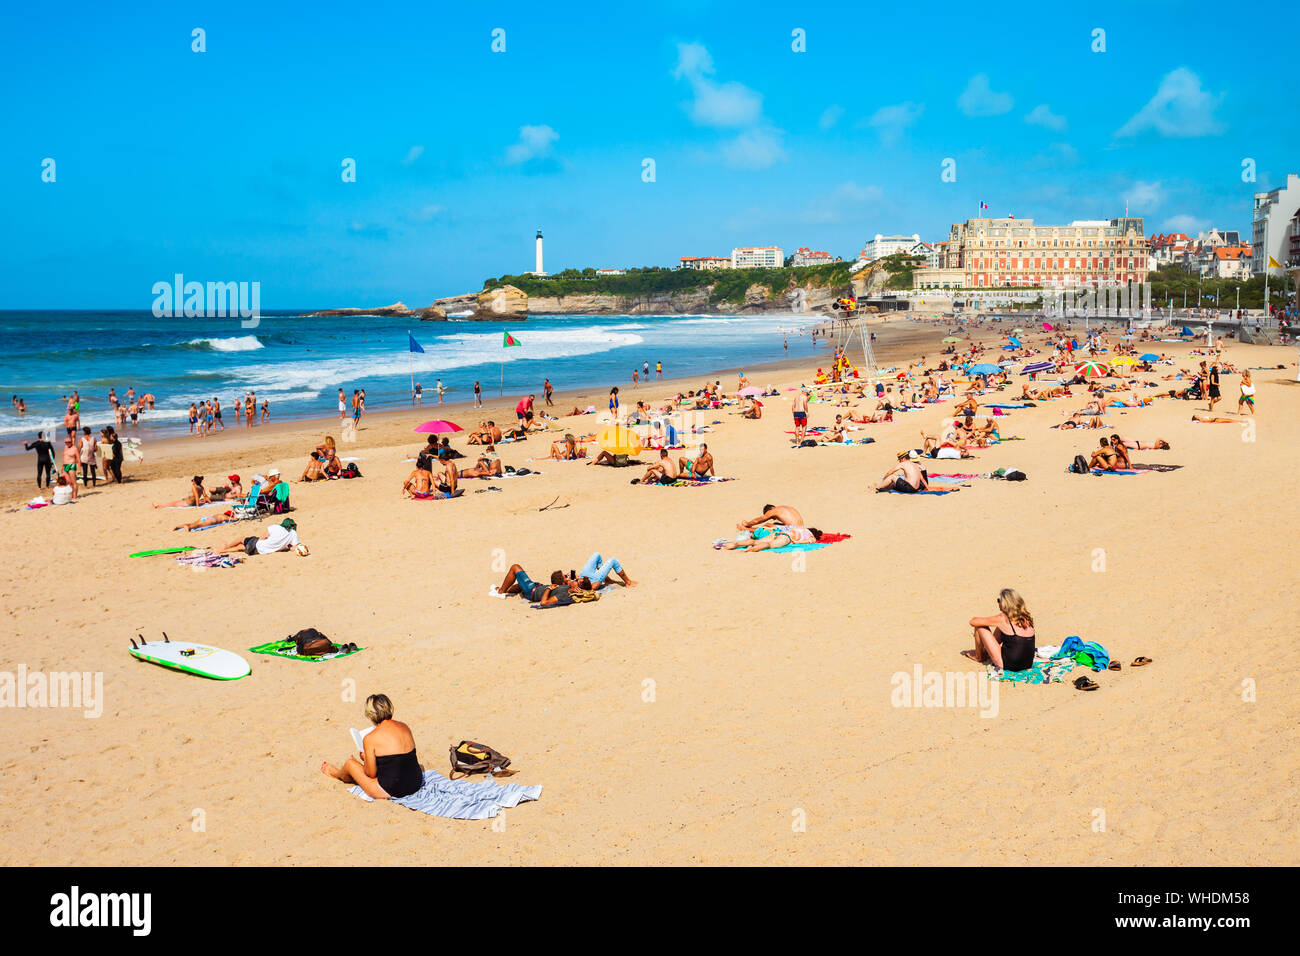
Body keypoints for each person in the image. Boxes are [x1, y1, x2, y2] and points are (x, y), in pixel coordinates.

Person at [320, 694, 423, 800]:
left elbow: (371, 774)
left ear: (370, 715)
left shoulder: (370, 738)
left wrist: (365, 758)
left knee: (350, 764)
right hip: (416, 782)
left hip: (394, 789)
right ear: (389, 708)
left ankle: (337, 774)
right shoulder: (404, 726)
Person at [964, 588, 1037, 672]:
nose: (998, 603)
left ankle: (979, 656)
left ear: (1005, 603)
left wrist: (991, 623)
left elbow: (973, 621)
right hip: (1027, 664)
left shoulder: (1002, 618)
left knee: (980, 627)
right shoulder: (1026, 618)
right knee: (1001, 628)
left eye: (999, 600)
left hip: (1008, 664)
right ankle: (986, 652)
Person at [213, 517, 300, 556]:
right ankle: (222, 550)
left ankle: (224, 548)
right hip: (259, 552)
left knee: (242, 538)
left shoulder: (275, 527)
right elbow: (294, 548)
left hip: (259, 545)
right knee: (241, 547)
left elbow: (262, 537)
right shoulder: (293, 533)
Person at [495, 564, 575, 606]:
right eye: (565, 575)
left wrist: (568, 580)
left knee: (515, 567)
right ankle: (503, 589)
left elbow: (544, 602)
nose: (567, 575)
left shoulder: (563, 589)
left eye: (565, 576)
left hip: (532, 589)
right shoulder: (564, 586)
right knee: (520, 586)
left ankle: (500, 592)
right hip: (534, 587)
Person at [736, 504, 805, 532]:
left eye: (772, 517)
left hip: (794, 529)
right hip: (802, 528)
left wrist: (748, 524)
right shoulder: (784, 507)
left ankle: (745, 529)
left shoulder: (773, 511)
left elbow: (759, 520)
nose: (773, 518)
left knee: (767, 525)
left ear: (770, 509)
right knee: (775, 524)